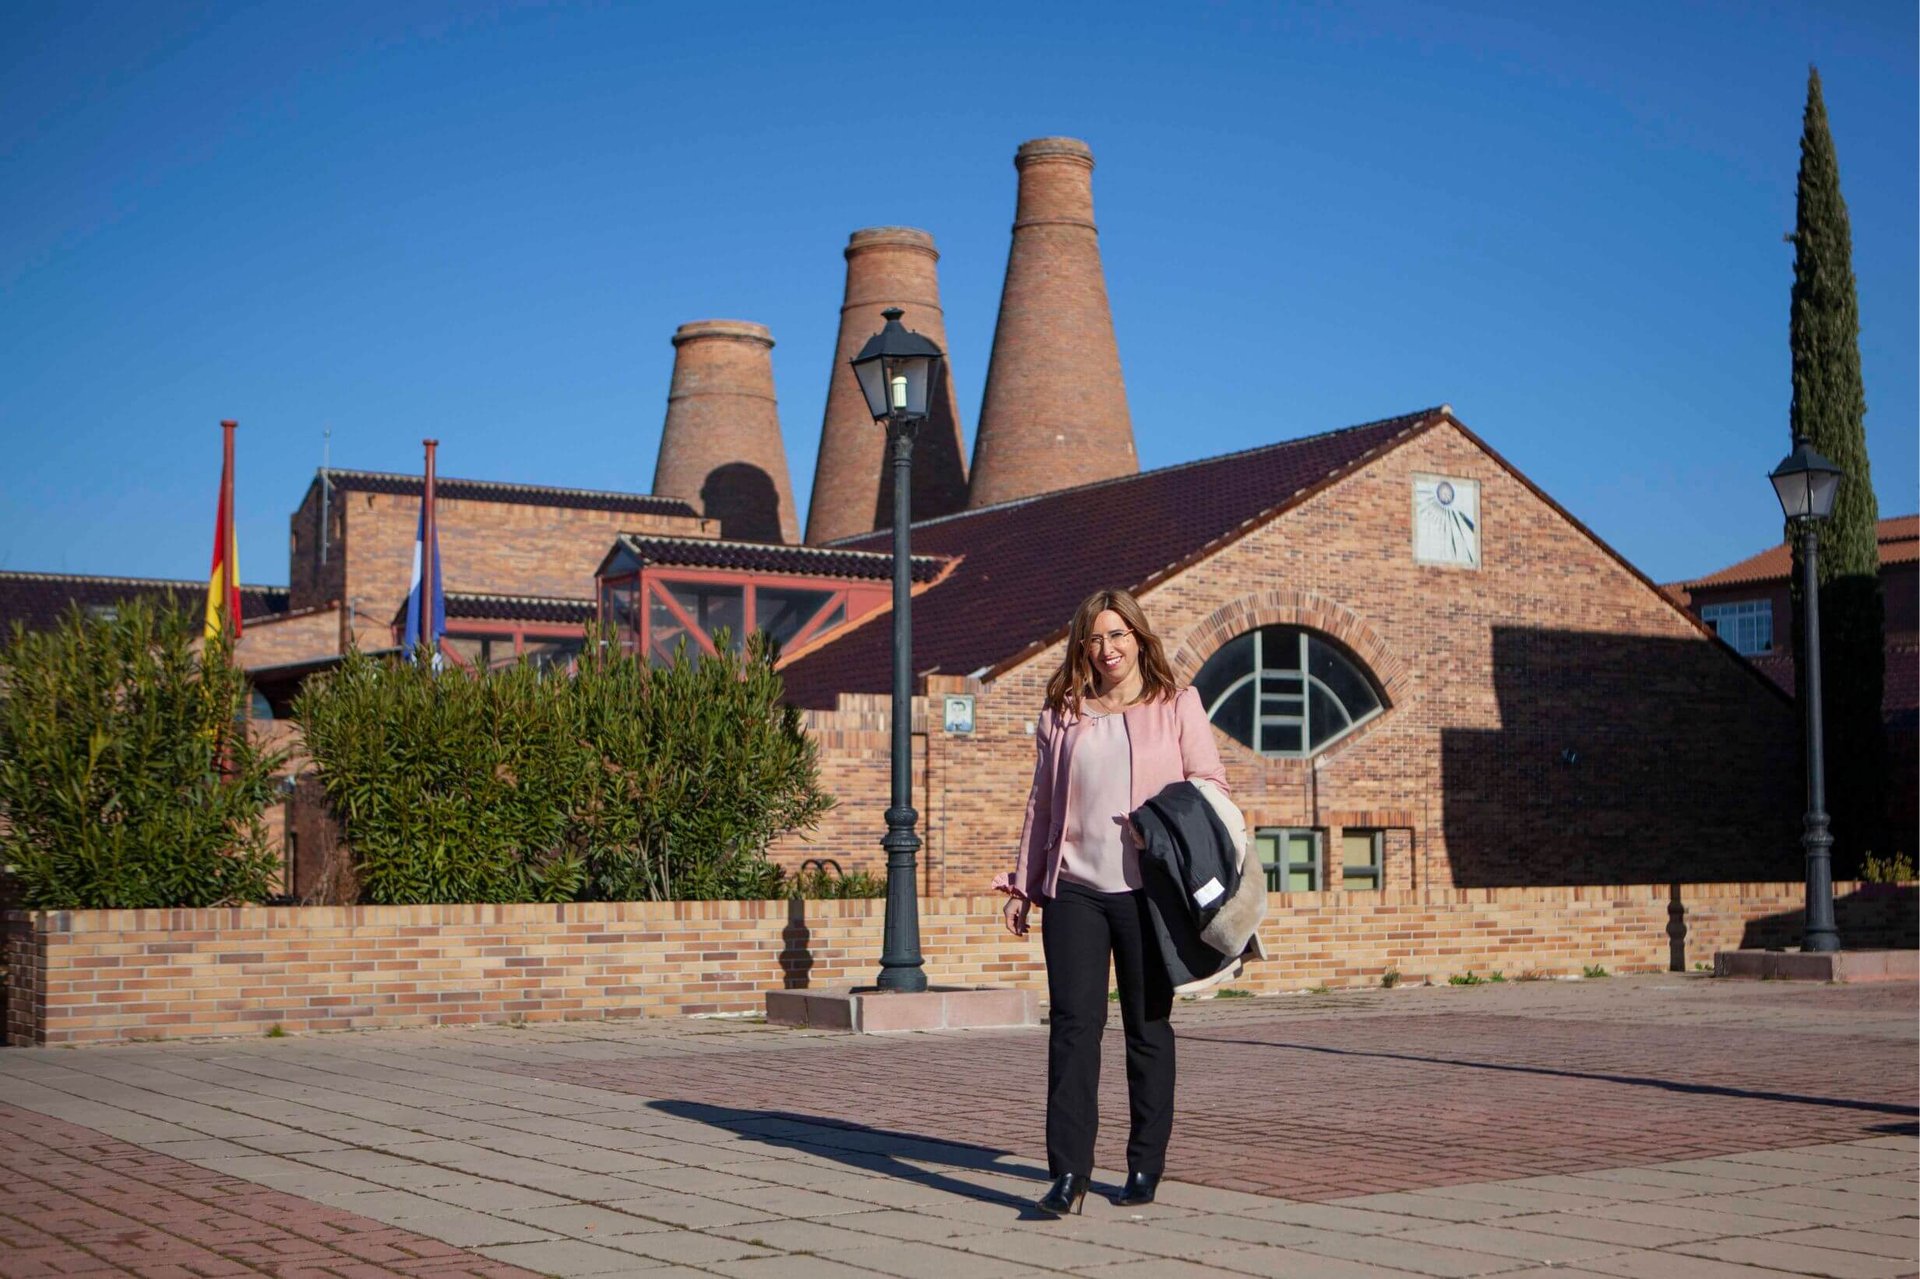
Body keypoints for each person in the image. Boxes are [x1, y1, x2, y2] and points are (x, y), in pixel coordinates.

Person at [994, 588, 1229, 1216]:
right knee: (1073, 1030)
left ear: (1139, 638)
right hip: (1075, 890)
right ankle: (1068, 1174)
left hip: (1149, 892)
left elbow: (1211, 784)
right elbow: (1042, 803)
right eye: (1095, 638)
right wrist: (1024, 884)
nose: (1107, 648)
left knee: (1147, 1028)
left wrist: (1157, 824)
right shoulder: (1062, 714)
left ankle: (1145, 1164)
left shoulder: (1176, 704)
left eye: (1118, 635)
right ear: (1083, 646)